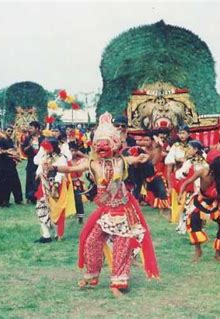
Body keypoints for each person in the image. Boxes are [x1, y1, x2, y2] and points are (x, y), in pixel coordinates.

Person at [53, 113, 159, 298]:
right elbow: (71, 169)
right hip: (106, 211)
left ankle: (118, 283)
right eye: (99, 144)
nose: (103, 147)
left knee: (121, 246)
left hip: (124, 210)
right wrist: (53, 168)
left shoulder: (122, 161)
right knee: (91, 241)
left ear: (115, 144)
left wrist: (149, 152)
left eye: (106, 143)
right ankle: (92, 276)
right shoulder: (92, 163)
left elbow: (144, 159)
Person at [178, 149, 220, 262]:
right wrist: (180, 194)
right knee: (194, 221)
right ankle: (198, 251)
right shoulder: (202, 171)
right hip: (201, 202)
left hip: (216, 202)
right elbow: (186, 182)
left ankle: (218, 254)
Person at [34, 137, 75, 243]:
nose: (46, 150)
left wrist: (56, 184)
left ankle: (58, 234)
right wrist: (39, 173)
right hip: (44, 185)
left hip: (57, 186)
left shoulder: (61, 158)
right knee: (42, 207)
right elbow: (37, 164)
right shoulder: (44, 156)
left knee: (57, 209)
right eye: (44, 148)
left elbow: (61, 172)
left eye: (47, 147)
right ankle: (46, 235)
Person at [165, 125, 192, 223]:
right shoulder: (175, 146)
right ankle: (177, 218)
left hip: (190, 177)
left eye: (184, 133)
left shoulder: (193, 146)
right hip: (178, 177)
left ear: (189, 134)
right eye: (180, 133)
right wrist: (169, 186)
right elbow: (169, 167)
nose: (181, 135)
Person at [0, 126, 23, 206]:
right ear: (4, 131)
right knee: (6, 184)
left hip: (11, 164)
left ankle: (18, 199)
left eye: (11, 131)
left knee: (15, 182)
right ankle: (5, 201)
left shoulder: (10, 140)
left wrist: (15, 157)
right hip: (4, 165)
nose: (10, 132)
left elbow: (13, 151)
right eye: (8, 131)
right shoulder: (1, 141)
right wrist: (8, 153)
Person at [21, 121, 43, 203]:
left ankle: (40, 196)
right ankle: (29, 197)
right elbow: (24, 150)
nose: (30, 130)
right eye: (29, 128)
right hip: (31, 163)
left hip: (41, 163)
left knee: (40, 180)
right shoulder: (28, 138)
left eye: (31, 128)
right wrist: (30, 145)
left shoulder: (43, 138)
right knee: (30, 180)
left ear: (37, 129)